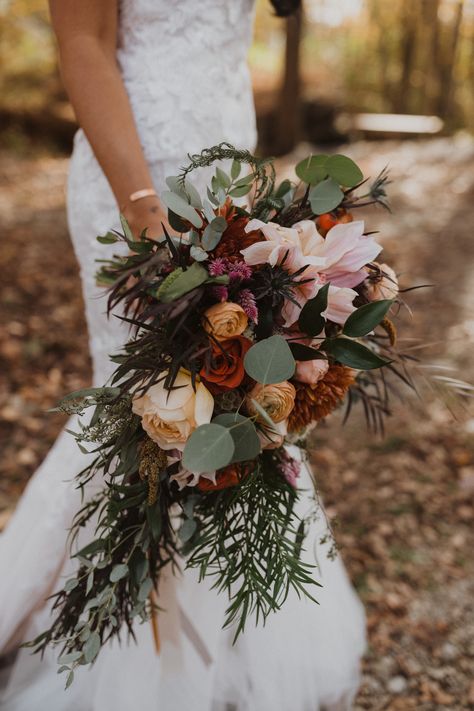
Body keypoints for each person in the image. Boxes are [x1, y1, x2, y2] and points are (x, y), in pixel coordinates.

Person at [0, 2, 366, 709]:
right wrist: (143, 210)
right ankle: (132, 654)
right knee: (148, 409)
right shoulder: (140, 199)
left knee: (235, 400)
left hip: (229, 169)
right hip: (140, 177)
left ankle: (230, 639)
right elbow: (81, 41)